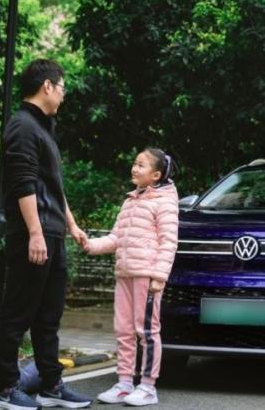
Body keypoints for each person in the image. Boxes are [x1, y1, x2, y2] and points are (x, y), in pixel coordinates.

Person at [0, 59, 92, 410]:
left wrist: (72, 226)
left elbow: (53, 187)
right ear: (47, 86)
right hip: (33, 236)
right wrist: (34, 233)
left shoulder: (43, 129)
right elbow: (23, 183)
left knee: (48, 318)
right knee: (17, 313)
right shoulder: (22, 126)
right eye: (62, 88)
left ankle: (51, 385)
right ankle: (4, 390)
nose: (63, 95)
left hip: (52, 234)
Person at [83, 148, 179, 407]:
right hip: (125, 273)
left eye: (141, 165)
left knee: (146, 331)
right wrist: (90, 244)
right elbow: (116, 237)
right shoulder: (130, 201)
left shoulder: (165, 202)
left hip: (147, 276)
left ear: (156, 175)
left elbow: (169, 242)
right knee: (123, 330)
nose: (134, 168)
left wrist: (159, 276)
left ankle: (147, 387)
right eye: (134, 163)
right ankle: (125, 383)